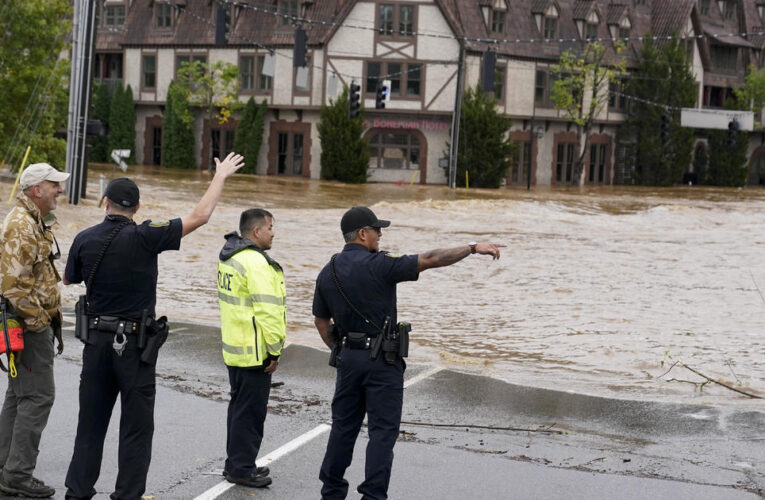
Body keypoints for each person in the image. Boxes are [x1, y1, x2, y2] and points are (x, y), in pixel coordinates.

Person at [62, 152, 244, 500]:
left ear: (105, 203)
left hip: (96, 342)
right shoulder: (148, 236)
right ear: (138, 207)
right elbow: (200, 216)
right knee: (136, 428)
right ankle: (127, 495)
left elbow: (70, 280)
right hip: (134, 346)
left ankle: (77, 493)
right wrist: (219, 175)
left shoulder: (84, 238)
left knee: (90, 426)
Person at [313, 206, 503, 500]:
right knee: (382, 433)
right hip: (382, 361)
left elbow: (321, 322)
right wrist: (472, 247)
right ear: (363, 234)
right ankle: (373, 496)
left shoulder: (329, 271)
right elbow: (431, 259)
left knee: (343, 428)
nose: (380, 235)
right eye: (377, 230)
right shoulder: (381, 264)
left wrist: (343, 351)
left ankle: (332, 491)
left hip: (348, 360)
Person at [0, 163, 70, 498]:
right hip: (27, 326)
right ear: (34, 189)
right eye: (54, 184)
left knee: (20, 395)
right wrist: (40, 323)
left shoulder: (31, 221)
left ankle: (6, 466)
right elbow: (14, 286)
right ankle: (17, 475)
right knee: (38, 396)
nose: (60, 190)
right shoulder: (22, 225)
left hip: (26, 324)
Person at [217, 208, 285, 488]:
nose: (273, 233)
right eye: (270, 227)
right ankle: (242, 469)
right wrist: (275, 350)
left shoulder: (230, 257)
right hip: (255, 352)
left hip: (235, 349)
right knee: (250, 414)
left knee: (239, 410)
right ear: (256, 231)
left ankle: (235, 462)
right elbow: (268, 311)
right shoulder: (255, 263)